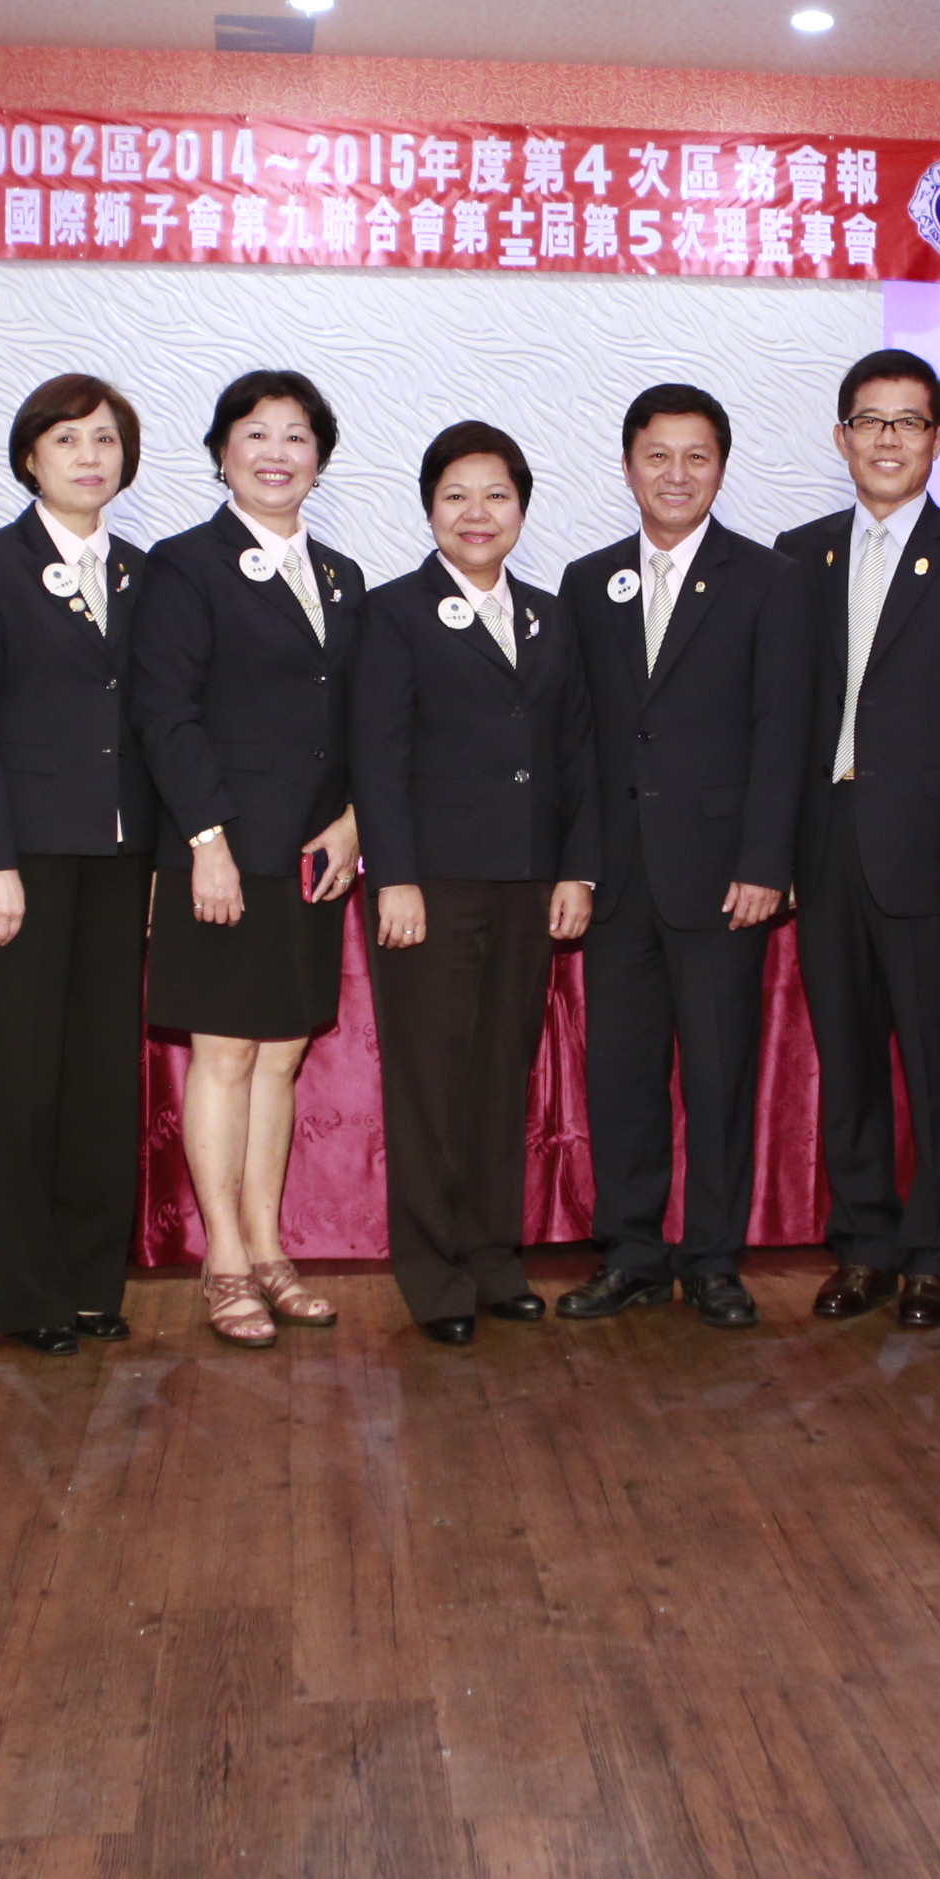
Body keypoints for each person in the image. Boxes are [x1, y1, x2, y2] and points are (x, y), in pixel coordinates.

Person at [556, 385, 808, 1330]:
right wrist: (579, 866)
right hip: (618, 880)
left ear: (721, 468)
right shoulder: (588, 582)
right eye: (657, 455)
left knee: (717, 1076)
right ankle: (630, 1253)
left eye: (696, 456)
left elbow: (784, 732)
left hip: (722, 877)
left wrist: (766, 863)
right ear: (628, 467)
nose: (676, 474)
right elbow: (578, 741)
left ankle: (712, 1258)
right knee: (621, 1079)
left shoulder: (769, 580)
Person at [133, 370, 364, 1351]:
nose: (277, 453)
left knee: (281, 1056)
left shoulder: (343, 576)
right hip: (220, 853)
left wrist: (354, 820)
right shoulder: (185, 566)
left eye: (296, 436)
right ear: (222, 453)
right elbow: (166, 713)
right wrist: (206, 841)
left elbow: (358, 720)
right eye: (256, 434)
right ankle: (223, 1257)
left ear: (320, 457)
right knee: (225, 1056)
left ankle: (270, 1247)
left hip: (309, 858)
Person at [351, 422, 595, 1345]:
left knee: (500, 1073)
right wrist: (395, 879)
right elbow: (378, 757)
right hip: (432, 886)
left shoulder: (550, 617)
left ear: (522, 508)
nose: (477, 513)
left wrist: (577, 868)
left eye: (496, 495)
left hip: (529, 882)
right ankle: (435, 1273)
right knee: (431, 1082)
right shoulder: (393, 613)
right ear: (429, 509)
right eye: (456, 495)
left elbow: (578, 753)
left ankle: (494, 1257)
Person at [785, 348, 940, 1329]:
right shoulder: (798, 554)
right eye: (870, 422)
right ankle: (865, 1245)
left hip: (932, 850)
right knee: (847, 1062)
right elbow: (781, 716)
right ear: (841, 437)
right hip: (824, 843)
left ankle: (936, 1256)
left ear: (938, 438)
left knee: (937, 1062)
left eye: (908, 422)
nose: (888, 439)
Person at [0, 376, 157, 1357]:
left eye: (104, 439)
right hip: (21, 862)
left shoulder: (145, 574)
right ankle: (31, 1297)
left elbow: (160, 723)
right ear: (30, 456)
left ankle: (91, 1285)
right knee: (22, 1080)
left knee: (103, 1082)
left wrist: (162, 859)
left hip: (120, 858)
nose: (88, 456)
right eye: (67, 439)